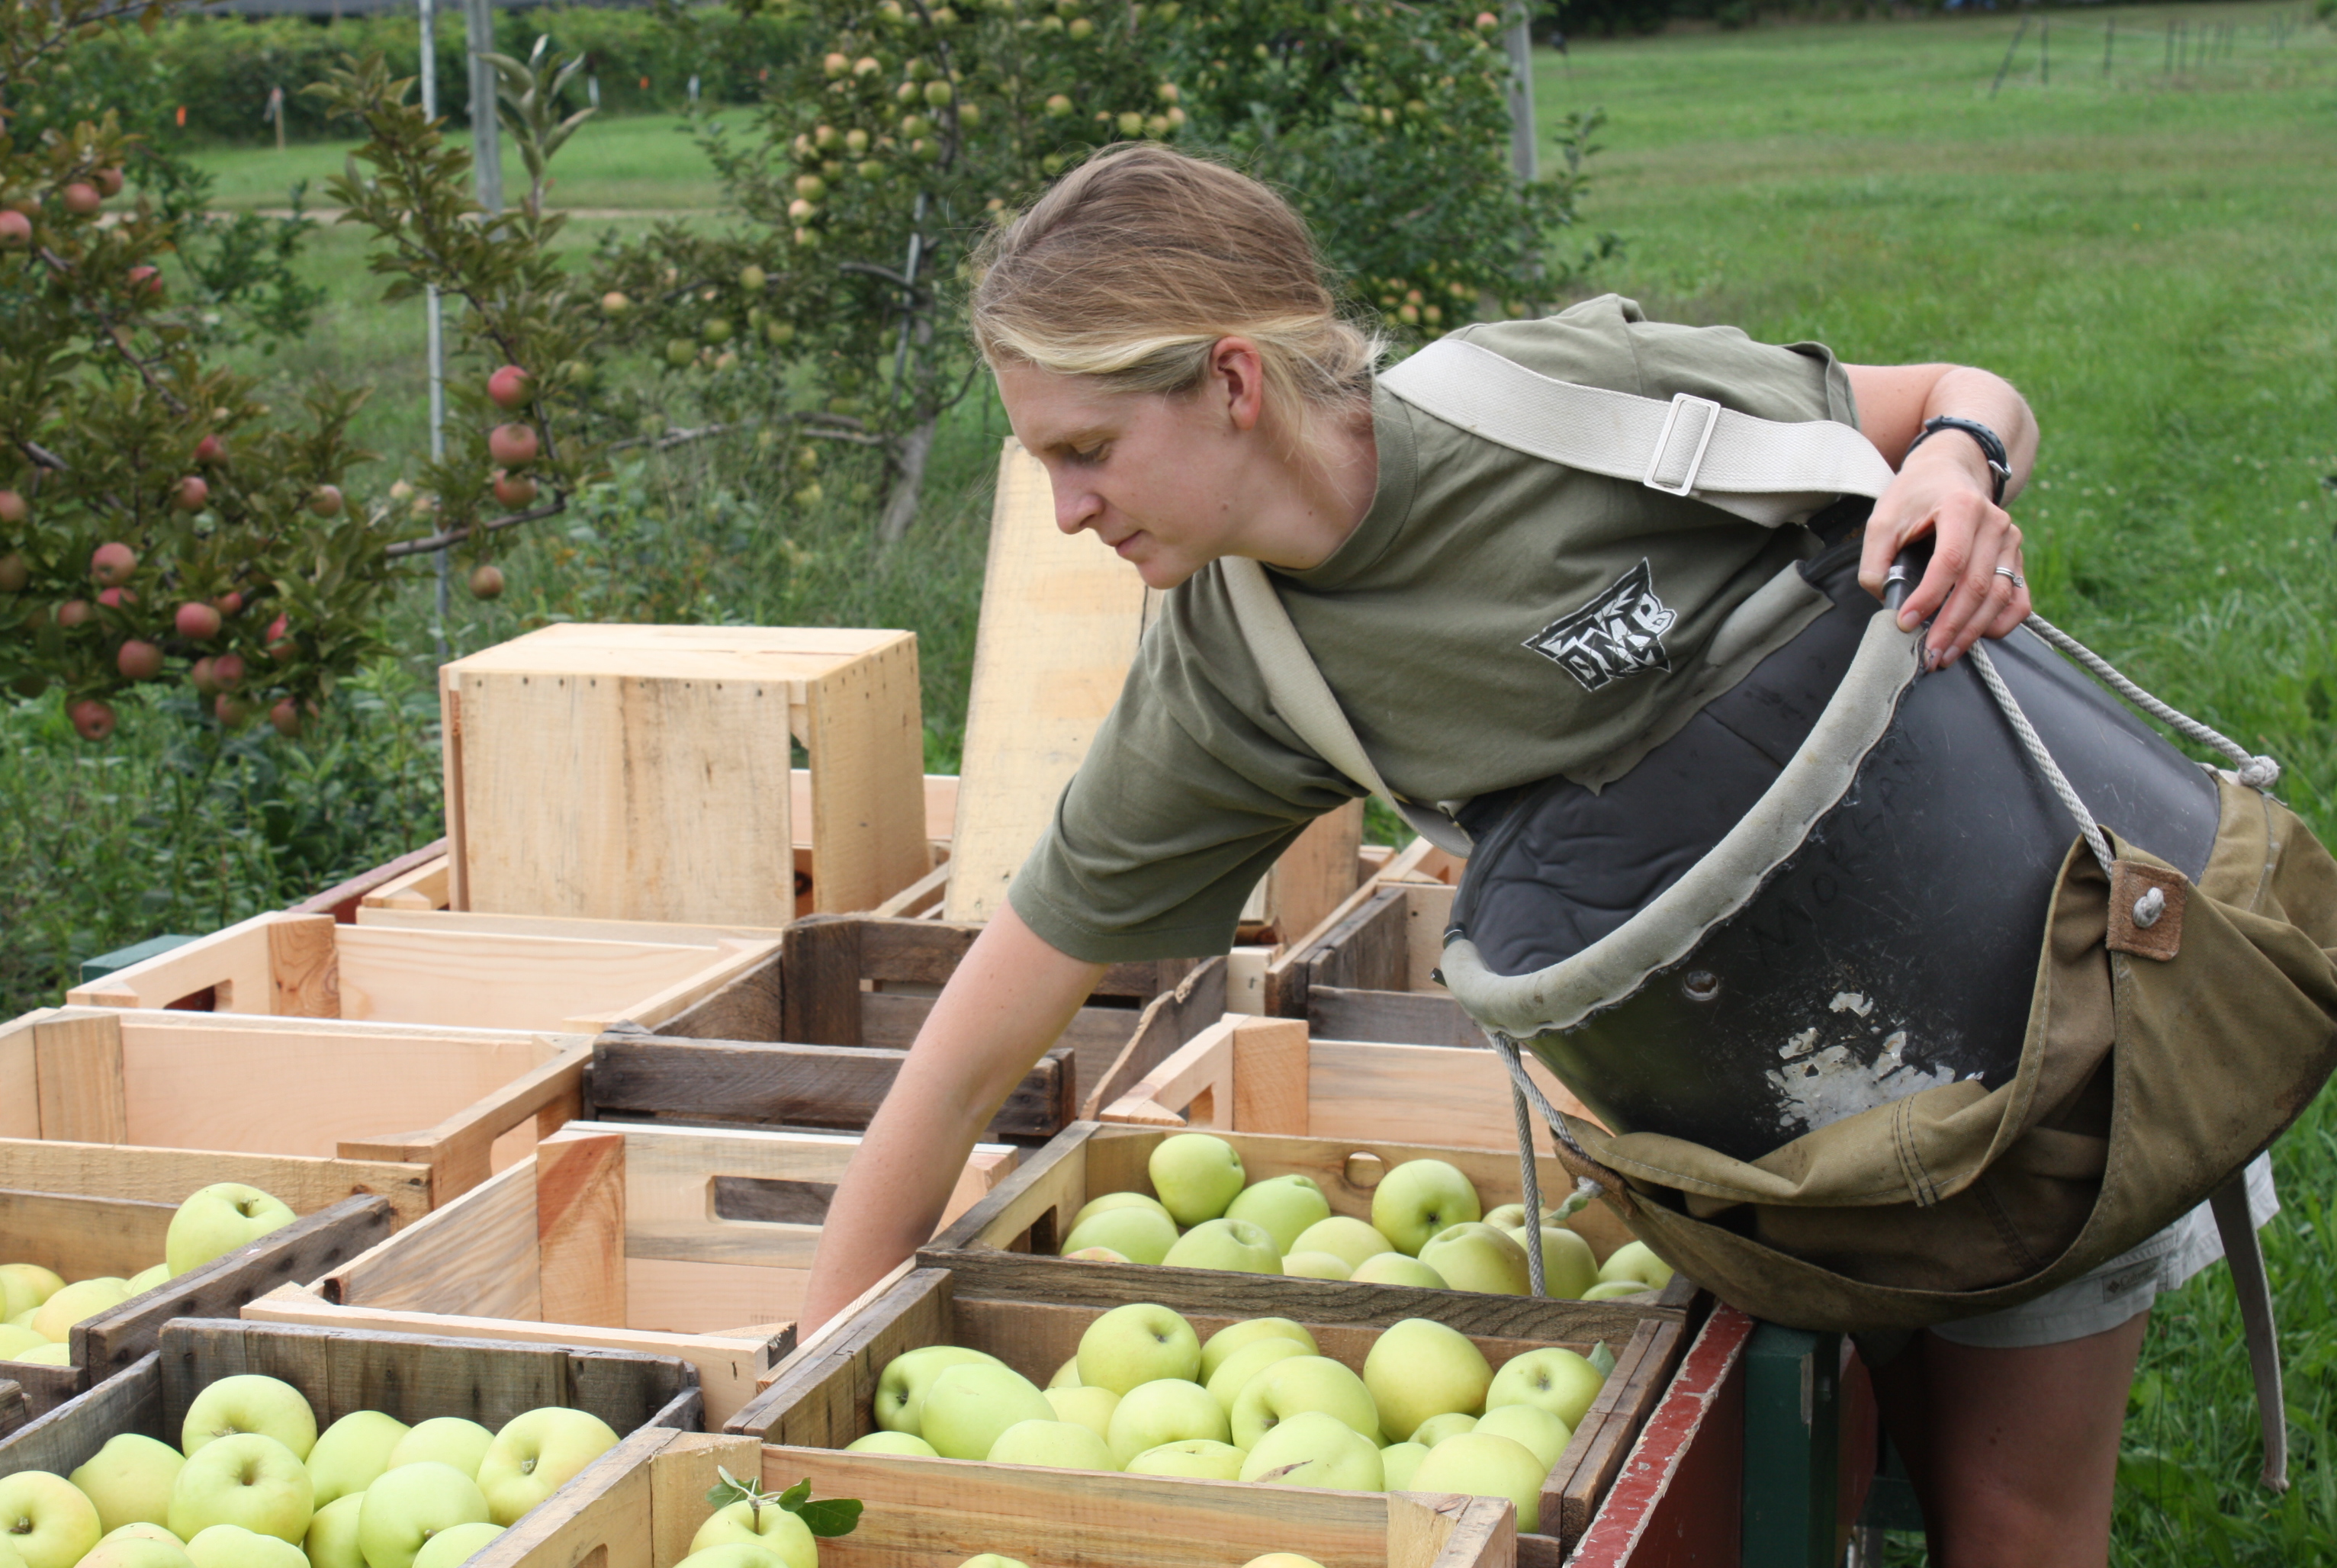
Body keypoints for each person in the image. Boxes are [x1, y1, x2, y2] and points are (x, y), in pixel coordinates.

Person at [798, 143, 2151, 1566]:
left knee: (2007, 1514)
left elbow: (1957, 397)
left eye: (1087, 450)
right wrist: (803, 1385)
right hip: (1762, 1129)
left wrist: (1960, 468)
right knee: (1868, 1478)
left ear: (1234, 382)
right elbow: (966, 1056)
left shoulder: (1551, 403)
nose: (1066, 509)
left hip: (2012, 982)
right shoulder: (1234, 677)